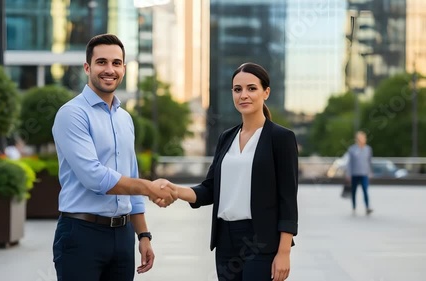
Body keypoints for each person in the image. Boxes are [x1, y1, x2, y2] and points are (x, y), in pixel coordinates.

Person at [51, 34, 177, 281]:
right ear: (87, 67)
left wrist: (143, 235)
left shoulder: (125, 119)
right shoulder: (72, 114)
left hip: (122, 236)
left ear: (124, 69)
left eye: (116, 63)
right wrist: (149, 188)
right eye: (101, 62)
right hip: (81, 234)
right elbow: (95, 177)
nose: (109, 70)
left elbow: (131, 177)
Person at [160, 62, 299, 281]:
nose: (244, 95)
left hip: (260, 241)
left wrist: (284, 252)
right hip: (226, 240)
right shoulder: (227, 137)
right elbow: (209, 189)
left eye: (251, 88)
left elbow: (288, 199)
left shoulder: (280, 138)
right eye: (237, 89)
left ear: (266, 92)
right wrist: (175, 190)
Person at [345, 130, 373, 215]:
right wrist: (348, 174)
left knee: (365, 190)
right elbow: (349, 163)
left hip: (364, 173)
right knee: (354, 191)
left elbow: (369, 161)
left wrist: (370, 172)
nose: (362, 139)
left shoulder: (368, 149)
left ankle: (367, 207)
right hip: (354, 174)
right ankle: (354, 206)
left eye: (363, 138)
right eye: (360, 138)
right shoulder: (352, 149)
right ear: (357, 139)